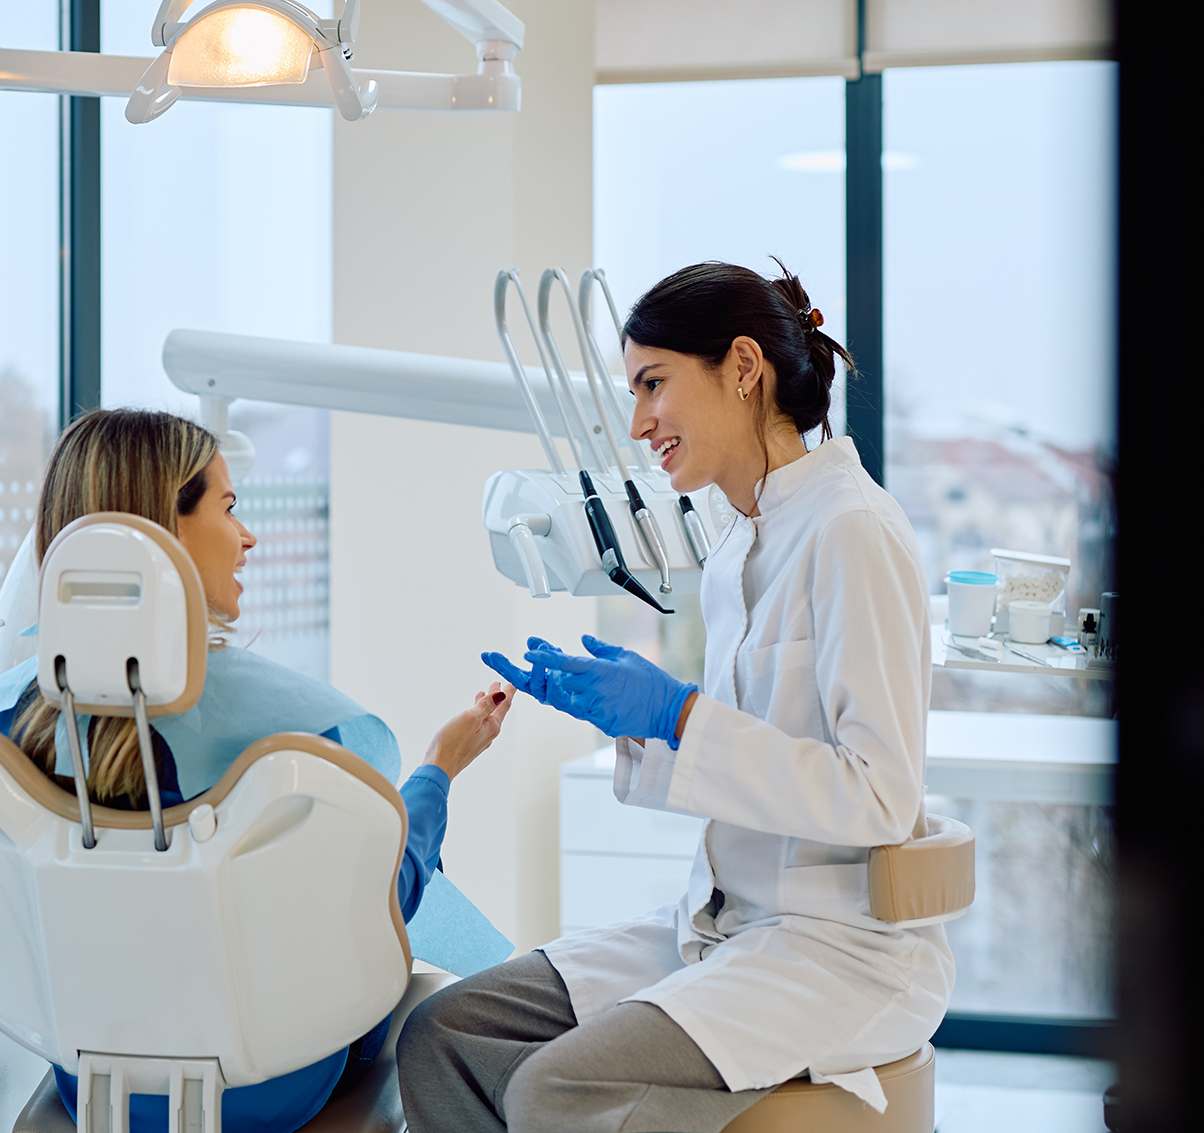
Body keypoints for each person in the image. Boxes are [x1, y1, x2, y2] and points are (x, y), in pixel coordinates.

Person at [398, 261, 949, 1133]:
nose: (637, 420)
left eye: (653, 383)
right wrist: (635, 724)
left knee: (554, 1089)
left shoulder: (852, 528)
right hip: (725, 921)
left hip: (836, 948)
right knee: (443, 1032)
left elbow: (882, 796)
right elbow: (739, 758)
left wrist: (679, 716)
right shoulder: (736, 545)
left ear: (741, 366)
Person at [0, 407, 514, 1133]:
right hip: (275, 1088)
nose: (247, 536)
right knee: (426, 991)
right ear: (167, 527)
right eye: (228, 507)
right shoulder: (303, 736)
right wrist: (441, 766)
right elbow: (377, 905)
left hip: (87, 1085)